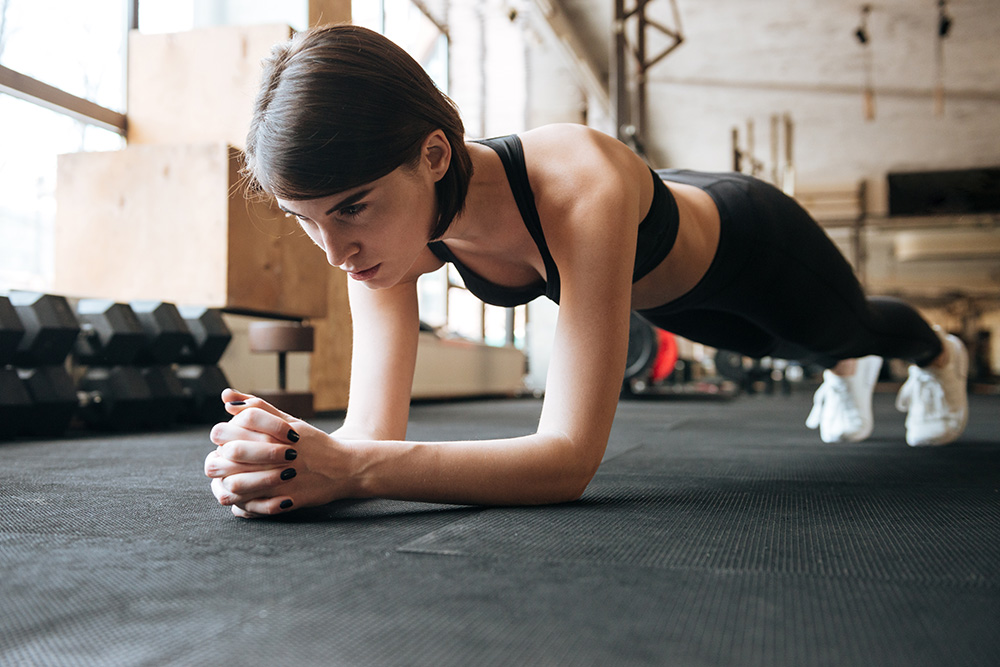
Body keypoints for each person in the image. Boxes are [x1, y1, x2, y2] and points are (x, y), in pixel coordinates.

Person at [204, 24, 969, 518]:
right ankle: (836, 366)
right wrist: (291, 457)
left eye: (349, 210)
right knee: (784, 349)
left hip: (751, 245)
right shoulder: (386, 235)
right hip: (668, 300)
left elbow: (567, 458)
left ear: (433, 155)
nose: (335, 251)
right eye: (307, 221)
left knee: (856, 329)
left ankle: (939, 355)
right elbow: (371, 436)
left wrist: (354, 468)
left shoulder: (578, 183)